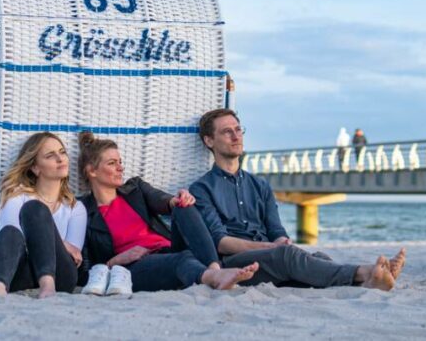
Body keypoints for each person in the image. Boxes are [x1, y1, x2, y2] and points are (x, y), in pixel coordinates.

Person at [189, 109, 406, 291]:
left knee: (317, 257)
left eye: (238, 130)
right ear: (209, 141)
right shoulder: (201, 189)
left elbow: (276, 231)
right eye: (227, 132)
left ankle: (369, 282)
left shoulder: (260, 185)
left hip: (272, 257)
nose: (236, 137)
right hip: (236, 263)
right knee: (289, 256)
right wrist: (270, 247)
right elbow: (221, 243)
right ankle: (366, 271)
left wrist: (281, 240)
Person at [77, 131, 259, 294]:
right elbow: (84, 274)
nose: (120, 168)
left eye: (120, 162)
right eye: (112, 163)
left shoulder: (135, 188)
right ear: (92, 171)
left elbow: (159, 198)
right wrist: (115, 261)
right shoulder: (82, 211)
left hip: (168, 249)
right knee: (183, 259)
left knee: (183, 205)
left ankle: (214, 269)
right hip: (134, 267)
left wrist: (175, 200)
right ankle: (212, 276)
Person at [0, 132, 86, 298]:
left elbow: (74, 255)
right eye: (50, 156)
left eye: (62, 152)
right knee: (16, 225)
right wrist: (60, 241)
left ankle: (48, 287)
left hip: (61, 276)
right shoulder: (17, 197)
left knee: (35, 209)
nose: (60, 159)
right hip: (20, 275)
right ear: (35, 167)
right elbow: (12, 237)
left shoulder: (75, 207)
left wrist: (52, 237)